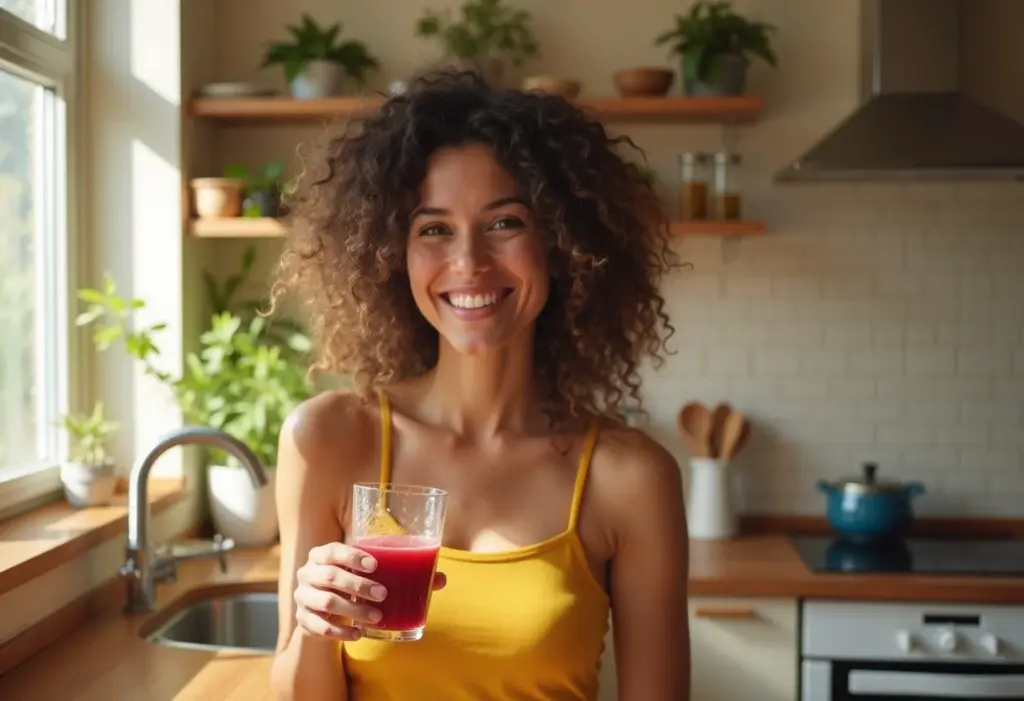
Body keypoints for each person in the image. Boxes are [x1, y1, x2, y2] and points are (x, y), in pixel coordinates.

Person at [268, 70, 690, 701]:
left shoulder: (628, 478)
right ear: (394, 254)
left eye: (504, 223)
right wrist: (315, 626)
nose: (469, 263)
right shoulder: (327, 442)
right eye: (434, 228)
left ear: (562, 245)